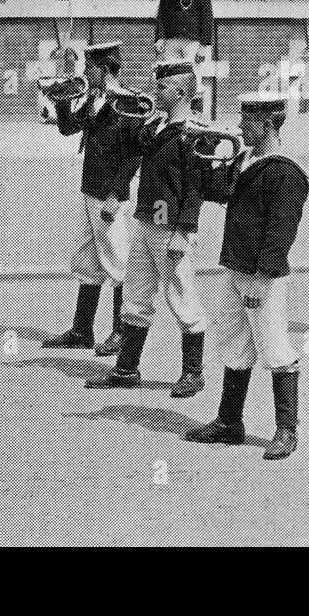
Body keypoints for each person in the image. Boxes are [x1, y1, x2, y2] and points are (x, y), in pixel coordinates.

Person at [185, 92, 309, 460]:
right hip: (235, 265)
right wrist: (205, 156)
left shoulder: (284, 171)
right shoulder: (247, 160)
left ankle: (287, 429)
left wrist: (262, 275)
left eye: (249, 121)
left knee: (274, 346)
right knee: (235, 343)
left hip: (260, 274)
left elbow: (281, 231)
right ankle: (229, 421)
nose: (241, 126)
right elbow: (218, 192)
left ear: (268, 124)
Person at [87, 60, 209, 396]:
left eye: (163, 88)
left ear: (181, 92)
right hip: (146, 220)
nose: (157, 92)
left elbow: (195, 188)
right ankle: (127, 369)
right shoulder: (160, 127)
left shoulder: (194, 134)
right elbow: (136, 150)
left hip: (170, 227)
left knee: (181, 297)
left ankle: (193, 372)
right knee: (136, 297)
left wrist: (185, 232)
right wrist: (151, 124)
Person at [43, 42, 140, 354]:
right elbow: (68, 129)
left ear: (106, 68)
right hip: (91, 189)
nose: (85, 72)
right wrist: (60, 102)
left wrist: (115, 194)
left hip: (110, 195)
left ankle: (120, 331)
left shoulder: (126, 103)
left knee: (117, 261)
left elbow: (133, 155)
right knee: (88, 260)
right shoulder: (94, 99)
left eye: (90, 67)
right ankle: (83, 330)